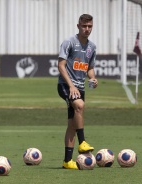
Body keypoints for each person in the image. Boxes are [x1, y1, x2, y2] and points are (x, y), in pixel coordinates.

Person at [57, 14, 98, 169]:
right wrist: (71, 86)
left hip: (80, 87)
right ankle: (82, 143)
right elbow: (61, 65)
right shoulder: (69, 42)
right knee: (79, 106)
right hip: (65, 86)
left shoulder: (92, 47)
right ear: (78, 26)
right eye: (84, 26)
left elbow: (90, 68)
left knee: (72, 125)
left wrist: (93, 79)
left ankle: (67, 161)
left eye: (90, 26)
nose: (87, 29)